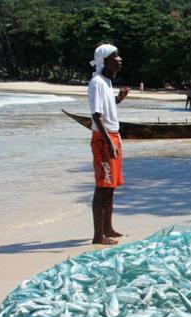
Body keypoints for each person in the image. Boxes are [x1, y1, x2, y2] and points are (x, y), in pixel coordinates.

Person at [87, 43, 129, 245]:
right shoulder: (96, 82)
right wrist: (108, 143)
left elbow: (105, 108)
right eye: (116, 56)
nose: (120, 59)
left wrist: (118, 100)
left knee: (110, 186)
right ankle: (98, 235)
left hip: (112, 136)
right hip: (104, 140)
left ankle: (108, 228)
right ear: (105, 61)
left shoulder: (106, 82)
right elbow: (96, 116)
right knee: (102, 186)